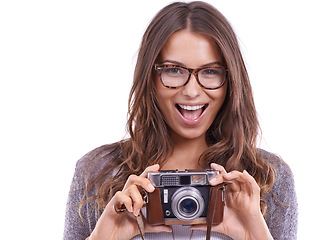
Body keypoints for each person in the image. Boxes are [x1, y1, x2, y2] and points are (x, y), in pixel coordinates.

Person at [63, 1, 298, 240]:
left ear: (230, 81)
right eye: (173, 70)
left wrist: (254, 235)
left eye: (210, 71)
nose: (192, 91)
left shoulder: (268, 177)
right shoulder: (99, 172)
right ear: (150, 77)